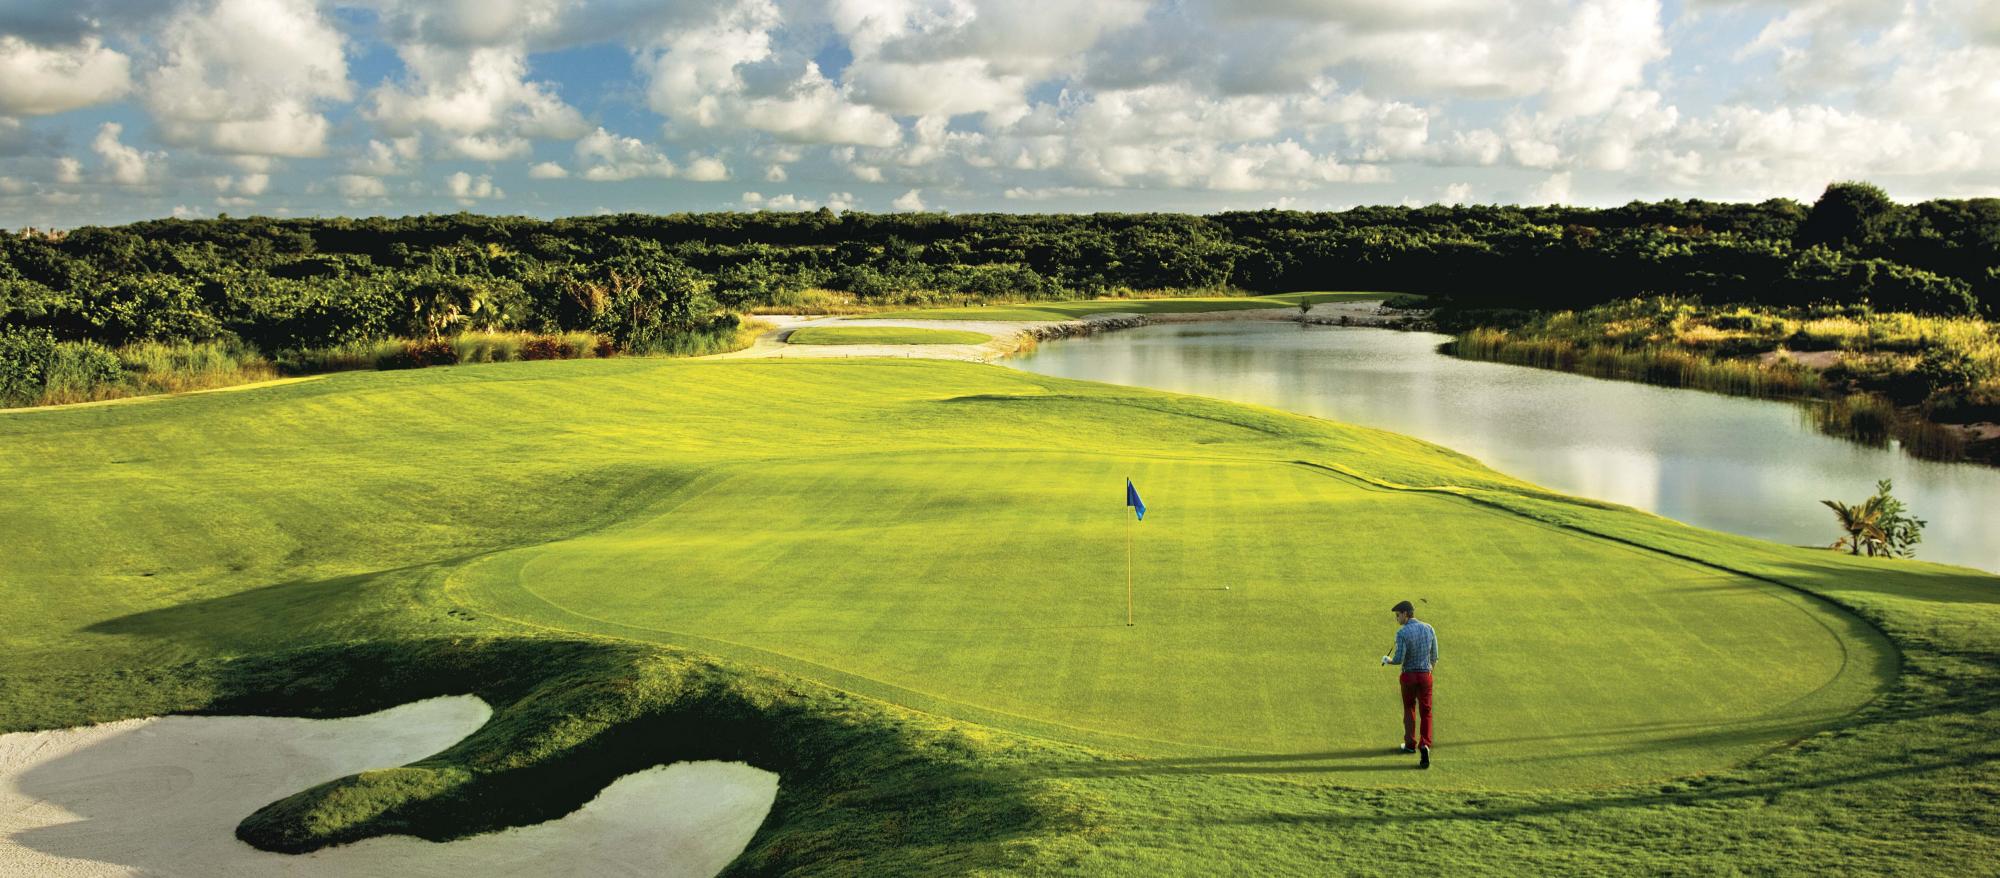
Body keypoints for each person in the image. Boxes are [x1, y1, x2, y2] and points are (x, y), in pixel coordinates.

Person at [1380, 599, 1438, 769]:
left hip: (1409, 677)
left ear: (1406, 614)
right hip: (1425, 676)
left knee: (1409, 709)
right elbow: (1434, 656)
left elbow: (1399, 659)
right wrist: (1428, 672)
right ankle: (1425, 744)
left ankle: (1410, 744)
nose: (1396, 619)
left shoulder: (1402, 633)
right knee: (1426, 711)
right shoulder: (1429, 628)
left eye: (1398, 615)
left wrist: (1387, 660)